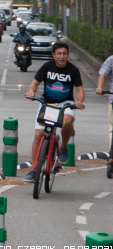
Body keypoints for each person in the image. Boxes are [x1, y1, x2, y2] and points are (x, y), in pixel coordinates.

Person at [24, 41, 86, 180]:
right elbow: (35, 83)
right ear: (53, 55)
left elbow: (79, 89)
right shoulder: (47, 66)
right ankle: (34, 169)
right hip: (47, 103)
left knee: (68, 120)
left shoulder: (73, 70)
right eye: (59, 54)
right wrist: (31, 92)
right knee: (39, 134)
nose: (62, 56)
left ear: (68, 54)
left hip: (66, 103)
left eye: (64, 53)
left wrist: (80, 101)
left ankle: (63, 146)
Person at [96, 52, 113, 151]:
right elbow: (102, 75)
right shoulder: (111, 59)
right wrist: (99, 87)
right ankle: (112, 154)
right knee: (112, 129)